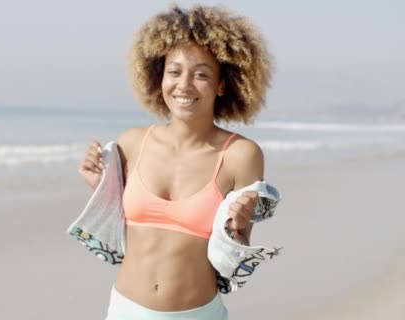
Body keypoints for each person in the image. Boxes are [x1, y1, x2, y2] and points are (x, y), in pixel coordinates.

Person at [77, 4, 275, 319]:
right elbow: (126, 229)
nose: (184, 85)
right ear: (159, 77)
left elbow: (236, 251)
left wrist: (238, 224)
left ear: (222, 84)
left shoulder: (241, 156)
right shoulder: (132, 143)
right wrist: (101, 188)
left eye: (201, 74)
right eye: (174, 71)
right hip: (125, 310)